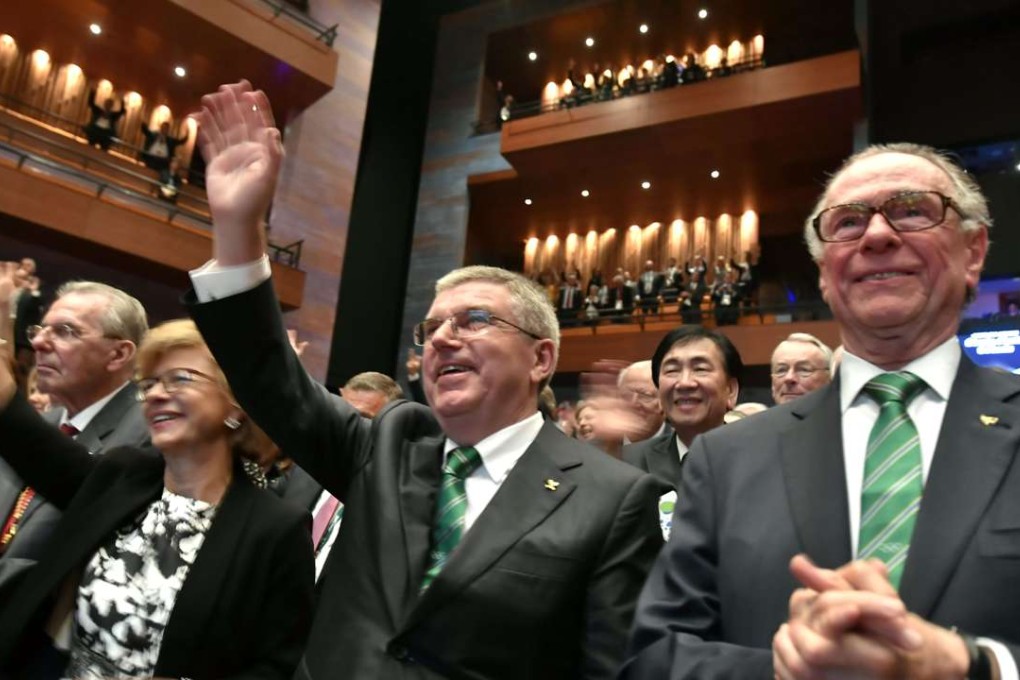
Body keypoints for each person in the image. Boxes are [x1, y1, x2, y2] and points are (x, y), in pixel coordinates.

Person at [186, 80, 663, 680]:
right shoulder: (389, 442)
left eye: (476, 321)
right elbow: (271, 380)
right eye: (431, 327)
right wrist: (238, 227)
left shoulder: (612, 497)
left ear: (541, 358)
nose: (441, 338)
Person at [623, 143, 1020, 679]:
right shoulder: (727, 458)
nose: (877, 235)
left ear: (973, 252)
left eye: (911, 210)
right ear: (824, 273)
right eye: (849, 222)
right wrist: (792, 673)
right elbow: (655, 655)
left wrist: (978, 667)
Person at [0, 318, 314, 678]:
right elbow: (28, 439)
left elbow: (276, 665)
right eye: (148, 384)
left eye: (180, 378)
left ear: (235, 406)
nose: (156, 394)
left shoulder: (276, 529)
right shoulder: (122, 474)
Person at [0, 281, 149, 573]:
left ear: (118, 355)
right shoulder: (43, 423)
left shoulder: (146, 435)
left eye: (65, 331)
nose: (39, 343)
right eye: (40, 330)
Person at [622, 325, 741, 492]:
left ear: (731, 390)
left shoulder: (763, 459)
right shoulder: (627, 463)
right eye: (672, 370)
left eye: (700, 369)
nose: (684, 383)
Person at [770, 332, 833, 405]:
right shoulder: (759, 416)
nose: (789, 378)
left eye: (804, 370)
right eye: (781, 370)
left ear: (829, 379)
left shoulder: (846, 416)